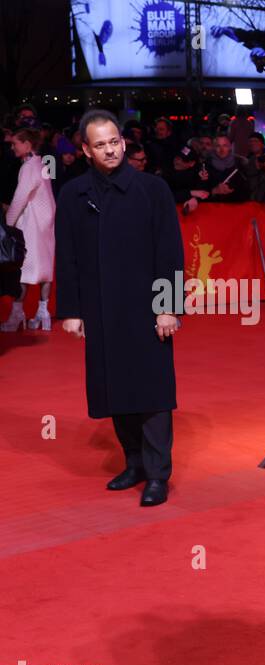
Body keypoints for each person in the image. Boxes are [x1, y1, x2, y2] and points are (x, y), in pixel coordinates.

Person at [54, 109, 184, 507]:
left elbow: (170, 253)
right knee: (115, 389)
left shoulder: (152, 190)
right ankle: (134, 463)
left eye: (114, 142)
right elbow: (68, 256)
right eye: (100, 145)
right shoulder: (73, 195)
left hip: (147, 308)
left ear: (123, 143)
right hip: (100, 308)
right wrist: (72, 310)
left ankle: (158, 474)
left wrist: (168, 307)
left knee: (153, 392)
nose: (110, 150)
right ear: (86, 150)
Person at [2, 129, 56, 332]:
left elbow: (19, 198)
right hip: (46, 223)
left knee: (23, 271)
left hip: (32, 224)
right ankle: (43, 314)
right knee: (44, 271)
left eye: (15, 143)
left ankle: (17, 316)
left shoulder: (28, 167)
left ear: (27, 144)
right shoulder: (42, 162)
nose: (12, 146)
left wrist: (7, 226)